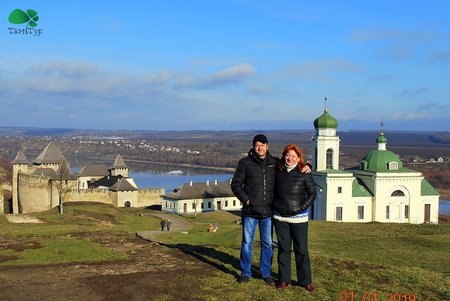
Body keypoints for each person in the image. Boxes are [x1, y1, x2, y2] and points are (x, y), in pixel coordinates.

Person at [231, 134, 276, 285]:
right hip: (250, 212)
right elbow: (236, 184)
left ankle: (266, 273)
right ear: (253, 146)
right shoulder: (245, 163)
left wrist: (306, 166)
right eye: (257, 145)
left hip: (268, 212)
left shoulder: (274, 163)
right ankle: (245, 272)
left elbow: (292, 166)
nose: (260, 148)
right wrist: (246, 199)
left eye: (263, 145)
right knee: (246, 243)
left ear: (267, 146)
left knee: (267, 244)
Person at [272, 144, 317, 292]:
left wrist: (300, 208)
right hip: (280, 218)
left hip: (299, 219)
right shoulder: (277, 170)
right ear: (283, 155)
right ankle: (284, 280)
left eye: (293, 156)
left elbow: (312, 194)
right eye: (287, 155)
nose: (289, 158)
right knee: (283, 250)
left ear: (298, 158)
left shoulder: (305, 172)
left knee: (301, 250)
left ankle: (305, 281)